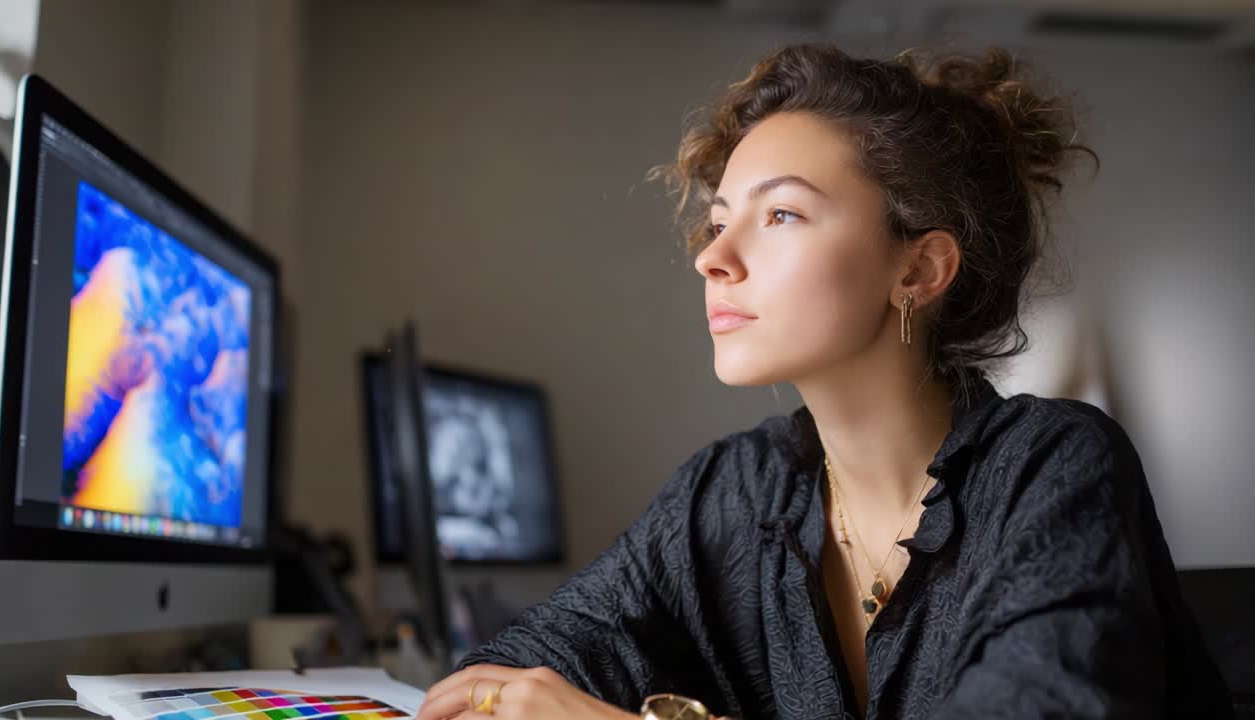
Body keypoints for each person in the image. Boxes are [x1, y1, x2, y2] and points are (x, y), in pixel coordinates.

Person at [415, 43, 1232, 720]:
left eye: (780, 215)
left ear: (918, 269)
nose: (713, 257)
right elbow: (513, 675)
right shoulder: (733, 490)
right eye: (719, 218)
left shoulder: (1054, 465)